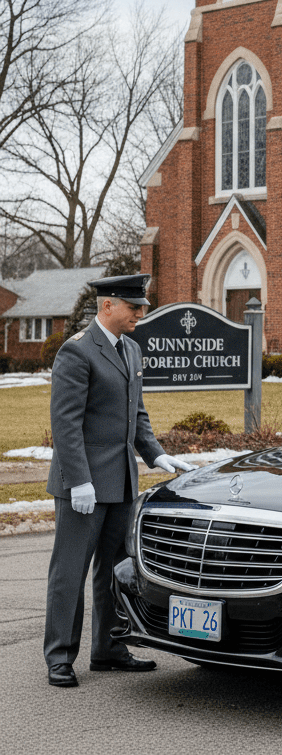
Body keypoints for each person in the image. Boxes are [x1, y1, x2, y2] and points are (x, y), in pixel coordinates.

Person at [44, 274, 195, 688]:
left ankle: (109, 648)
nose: (140, 314)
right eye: (134, 307)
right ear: (108, 306)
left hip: (121, 481)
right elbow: (66, 425)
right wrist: (78, 481)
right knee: (69, 572)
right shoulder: (76, 353)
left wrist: (156, 453)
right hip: (84, 486)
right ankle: (59, 657)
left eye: (142, 306)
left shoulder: (130, 348)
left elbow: (136, 414)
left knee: (113, 571)